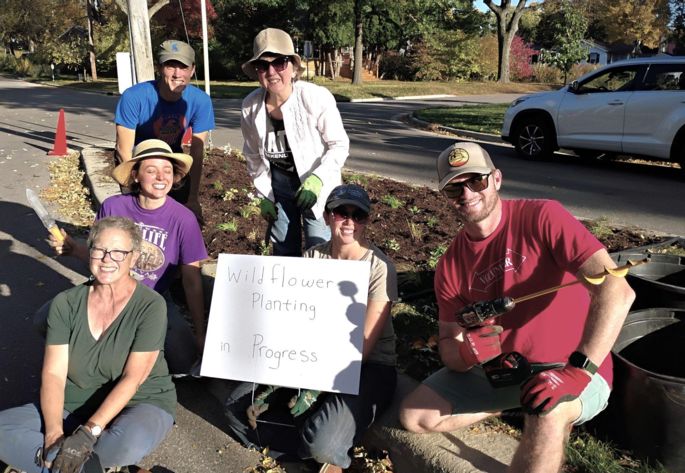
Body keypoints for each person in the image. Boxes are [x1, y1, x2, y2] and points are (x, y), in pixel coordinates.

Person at [398, 142, 636, 472]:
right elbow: (449, 347)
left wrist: (577, 371)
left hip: (574, 366)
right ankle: (512, 402)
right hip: (507, 370)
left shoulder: (543, 217)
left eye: (476, 181)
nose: (466, 194)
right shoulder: (450, 265)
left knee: (547, 410)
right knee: (415, 415)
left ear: (496, 178)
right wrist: (467, 353)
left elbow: (617, 291)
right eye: (454, 188)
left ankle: (547, 406)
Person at [225, 184, 397, 473]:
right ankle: (309, 447)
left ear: (367, 220)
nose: (349, 221)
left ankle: (319, 446)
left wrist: (318, 387)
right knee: (234, 407)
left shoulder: (379, 267)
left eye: (359, 215)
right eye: (342, 212)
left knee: (324, 443)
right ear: (328, 216)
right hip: (311, 357)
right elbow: (296, 321)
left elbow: (366, 346)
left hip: (368, 366)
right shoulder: (312, 257)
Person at [0, 217, 176, 473]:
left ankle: (61, 462)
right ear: (90, 251)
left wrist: (87, 433)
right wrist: (53, 434)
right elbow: (53, 374)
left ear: (134, 257)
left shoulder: (151, 305)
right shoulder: (65, 303)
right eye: (99, 249)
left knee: (127, 445)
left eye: (118, 252)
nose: (107, 259)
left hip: (138, 401)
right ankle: (77, 465)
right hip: (73, 405)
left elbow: (133, 377)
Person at [43, 139, 208, 375]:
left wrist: (200, 333)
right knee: (46, 320)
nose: (161, 177)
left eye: (168, 171)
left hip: (154, 299)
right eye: (151, 171)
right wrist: (73, 249)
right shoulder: (113, 207)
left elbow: (192, 281)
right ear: (136, 175)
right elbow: (99, 257)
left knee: (184, 361)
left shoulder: (184, 219)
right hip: (107, 292)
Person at [241, 27, 349, 256]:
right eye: (263, 65)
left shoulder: (314, 97)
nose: (272, 72)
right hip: (279, 190)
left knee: (320, 249)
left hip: (316, 188)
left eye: (280, 62)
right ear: (257, 71)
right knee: (283, 251)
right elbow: (252, 155)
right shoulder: (250, 107)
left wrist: (318, 180)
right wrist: (264, 195)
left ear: (293, 66)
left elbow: (339, 145)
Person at [114, 39, 215, 217]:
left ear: (192, 69)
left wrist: (193, 197)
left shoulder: (201, 101)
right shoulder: (134, 97)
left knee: (177, 215)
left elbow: (197, 153)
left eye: (183, 67)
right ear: (159, 68)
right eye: (170, 66)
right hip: (136, 162)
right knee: (138, 217)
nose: (177, 73)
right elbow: (124, 149)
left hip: (171, 160)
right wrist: (135, 186)